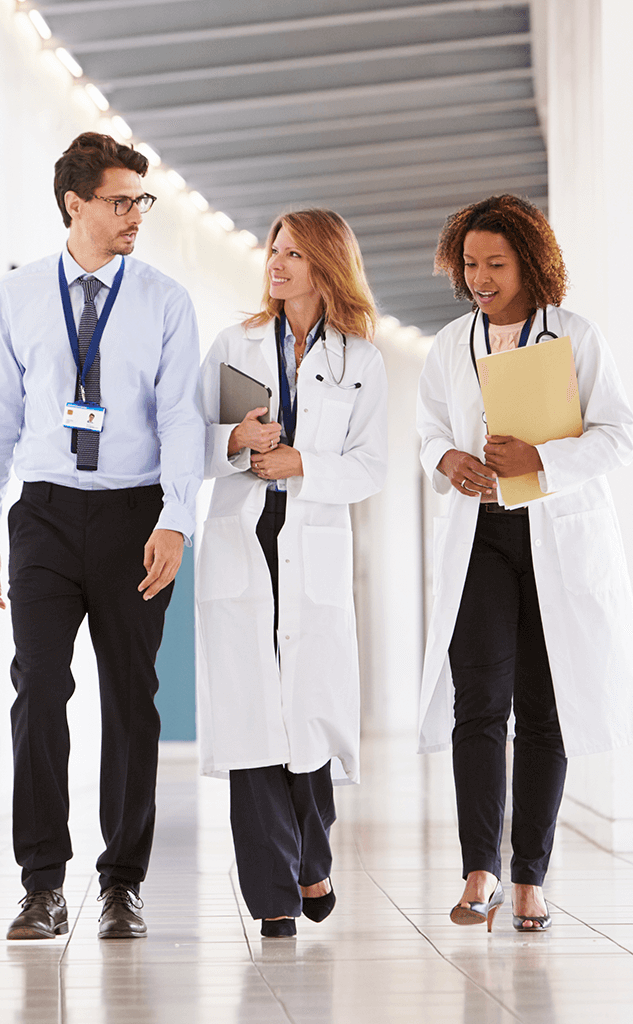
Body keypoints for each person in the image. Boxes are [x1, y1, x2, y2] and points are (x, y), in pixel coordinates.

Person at [0, 132, 203, 941]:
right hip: (44, 518)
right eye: (122, 200)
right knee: (39, 690)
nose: (137, 214)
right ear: (76, 203)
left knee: (133, 701)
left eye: (143, 200)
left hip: (135, 516)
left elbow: (179, 419)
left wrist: (176, 519)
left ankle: (122, 883)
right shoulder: (21, 297)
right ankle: (40, 885)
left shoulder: (165, 301)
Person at [416, 194, 633, 932]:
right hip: (479, 537)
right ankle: (478, 872)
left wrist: (541, 460)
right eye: (470, 264)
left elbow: (620, 435)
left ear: (530, 262)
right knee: (478, 704)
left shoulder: (576, 337)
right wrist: (445, 457)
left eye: (495, 264)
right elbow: (427, 428)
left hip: (554, 535)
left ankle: (531, 880)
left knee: (544, 709)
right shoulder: (452, 343)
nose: (480, 278)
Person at [195, 209, 387, 938]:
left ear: (327, 267)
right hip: (244, 539)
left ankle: (311, 855)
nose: (278, 264)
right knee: (253, 723)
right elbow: (193, 447)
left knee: (304, 716)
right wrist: (237, 442)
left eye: (296, 254)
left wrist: (304, 462)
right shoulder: (234, 344)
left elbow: (370, 466)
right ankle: (274, 897)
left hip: (310, 541)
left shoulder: (359, 359)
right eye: (274, 251)